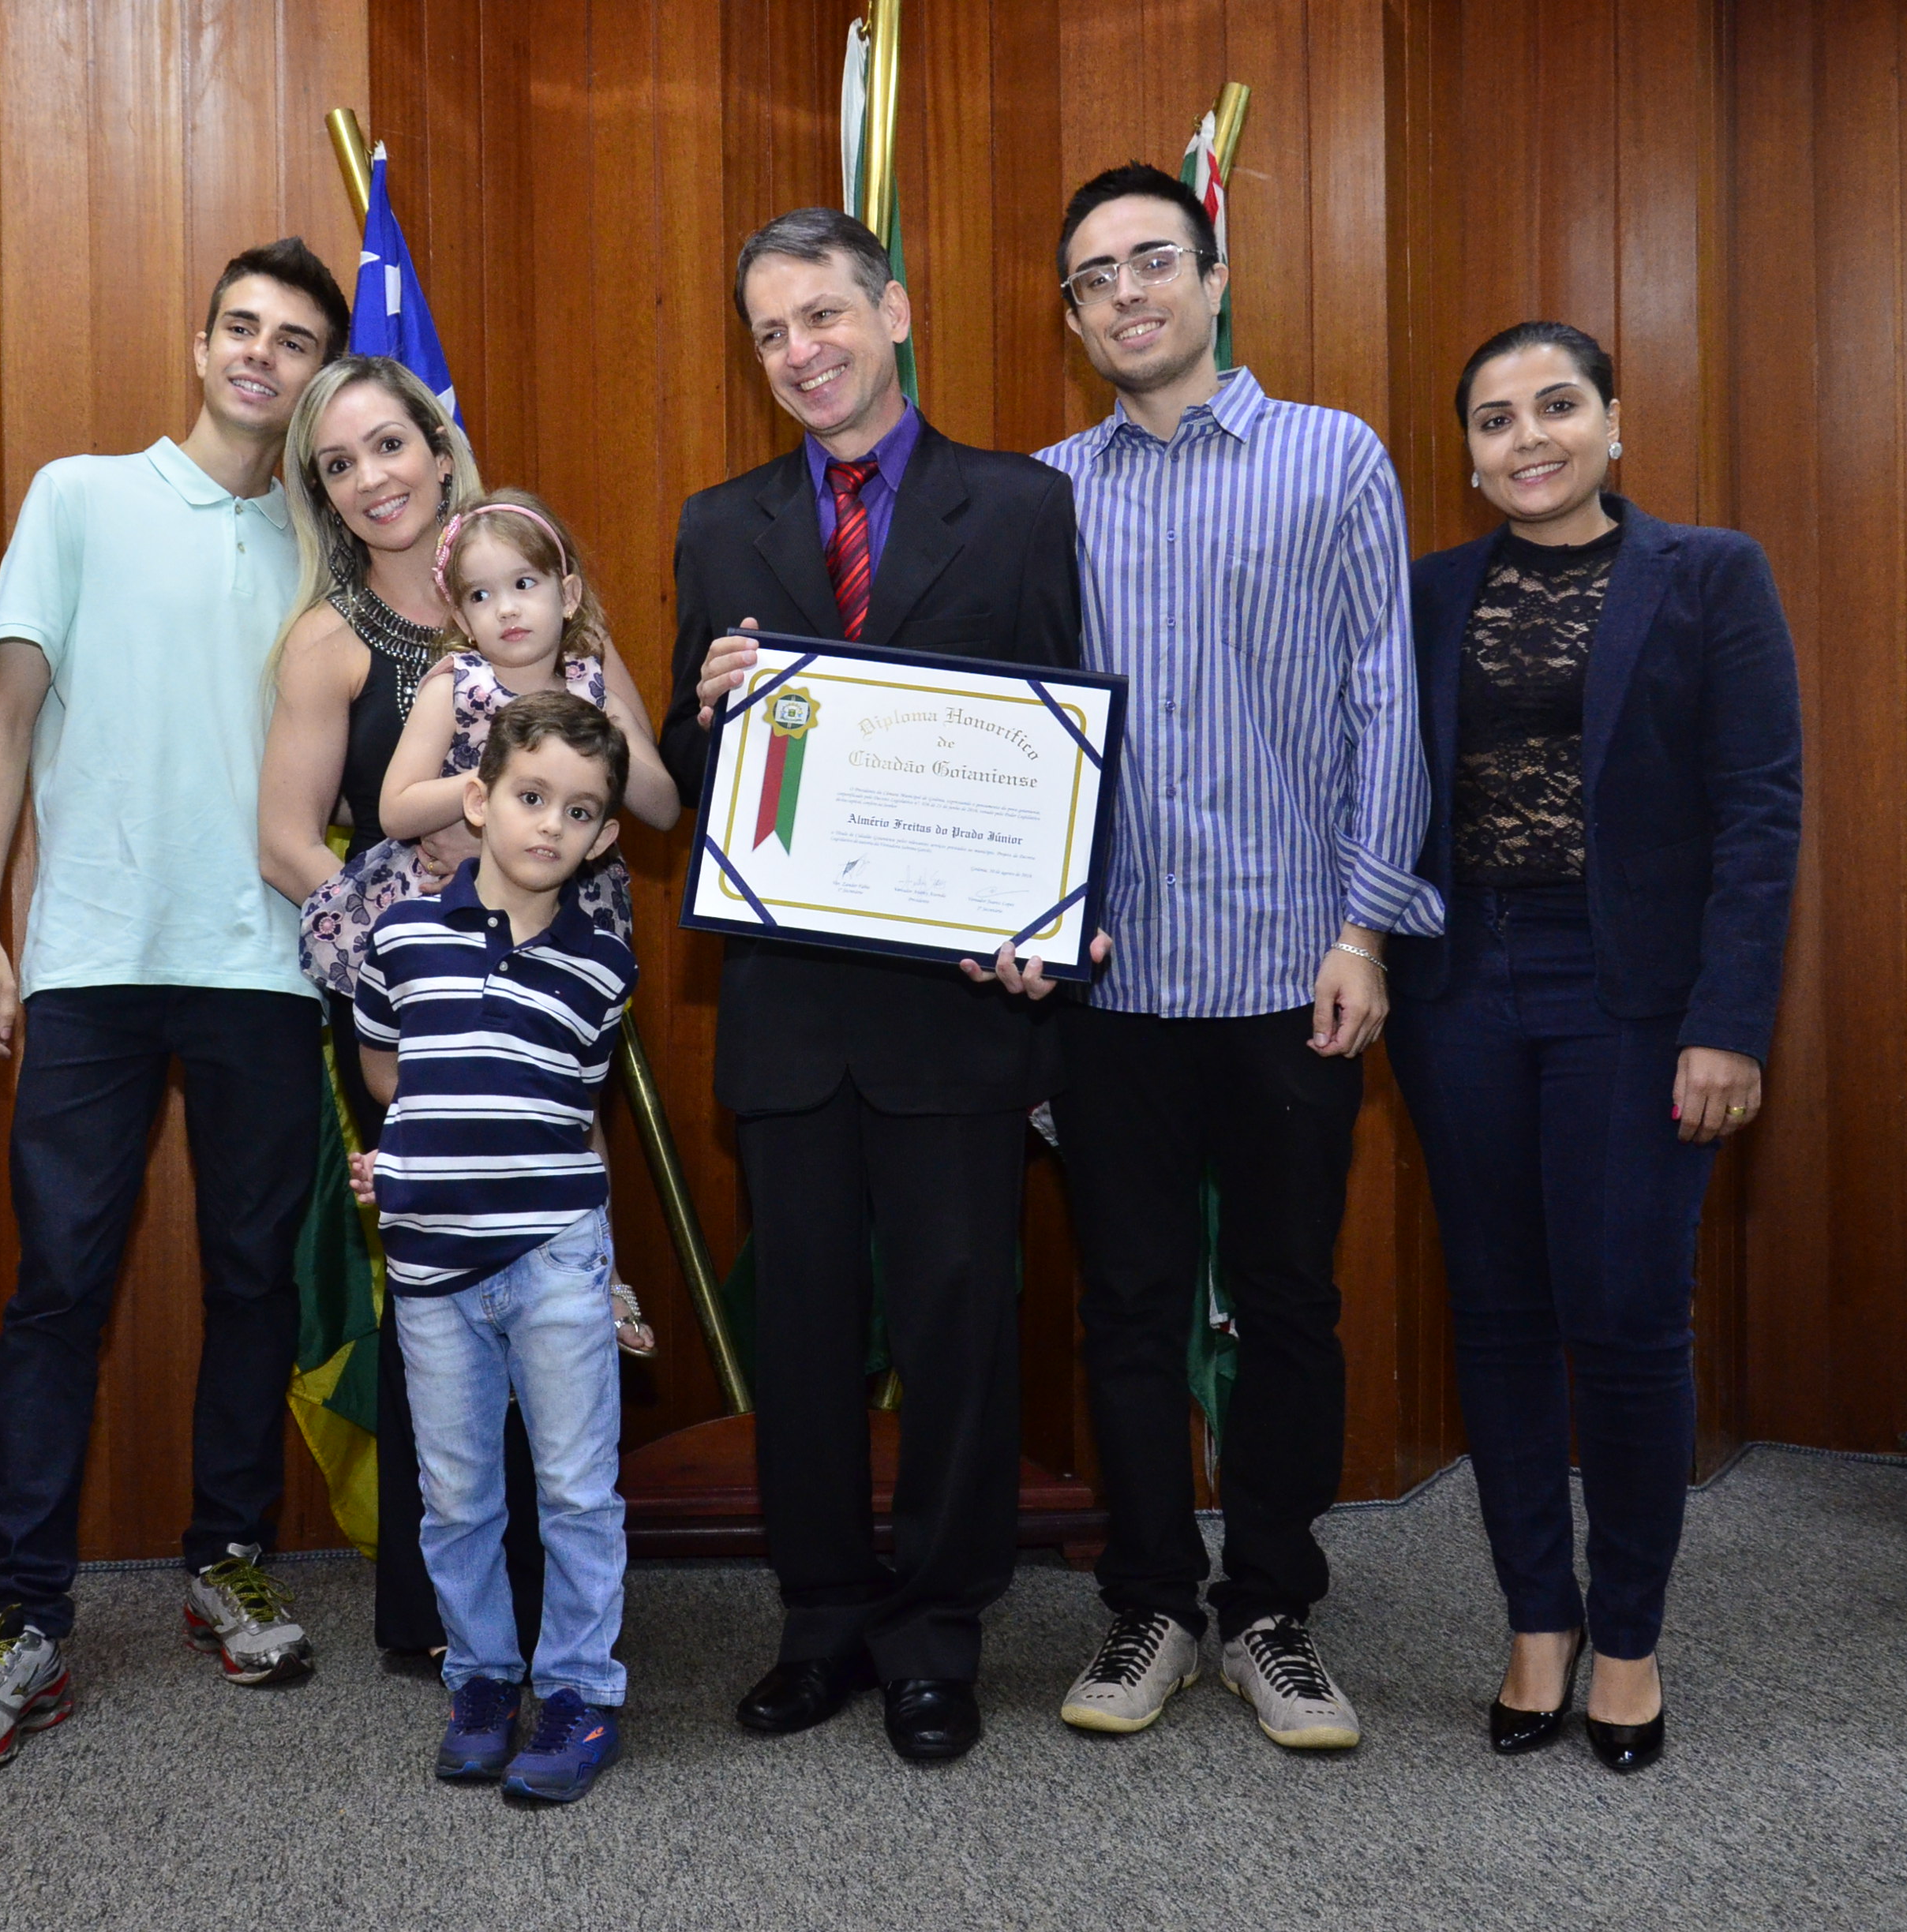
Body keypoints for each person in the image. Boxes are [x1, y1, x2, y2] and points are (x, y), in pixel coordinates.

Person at [0, 240, 352, 1772]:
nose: (260, 355)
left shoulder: (327, 543)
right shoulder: (80, 496)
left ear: (318, 376)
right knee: (60, 1284)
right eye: (242, 327)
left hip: (266, 963)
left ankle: (228, 1557)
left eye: (294, 340)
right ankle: (19, 1610)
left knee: (252, 1277)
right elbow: (4, 719)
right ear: (200, 342)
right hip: (91, 957)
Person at [660, 207, 1083, 1765]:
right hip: (788, 1014)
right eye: (772, 332)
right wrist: (713, 711)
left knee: (962, 1330)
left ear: (893, 311)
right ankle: (823, 1617)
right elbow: (695, 782)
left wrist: (1052, 915)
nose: (802, 351)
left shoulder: (1022, 507)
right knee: (805, 1336)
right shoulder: (720, 525)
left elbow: (1063, 743)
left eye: (825, 315)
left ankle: (936, 1633)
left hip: (956, 1010)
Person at [1030, 163, 1439, 1752]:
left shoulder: (1334, 457)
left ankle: (1271, 1608)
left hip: (1292, 966)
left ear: (1213, 276)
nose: (1126, 292)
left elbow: (1384, 703)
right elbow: (1004, 727)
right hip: (1109, 979)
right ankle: (1148, 1601)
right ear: (1072, 318)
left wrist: (1366, 928)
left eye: (1153, 260)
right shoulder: (1042, 492)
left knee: (1287, 1301)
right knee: (1126, 1306)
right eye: (1094, 277)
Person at [1382, 320, 1803, 1775]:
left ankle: (1627, 1637)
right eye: (1495, 419)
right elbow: (1374, 782)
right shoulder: (1429, 592)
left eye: (1556, 406)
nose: (1529, 438)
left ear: (1614, 422)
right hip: (1458, 991)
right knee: (1498, 1314)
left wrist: (1728, 1022)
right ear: (1468, 454)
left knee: (1624, 1315)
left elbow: (1760, 808)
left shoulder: (1711, 574)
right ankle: (1535, 1623)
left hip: (1635, 998)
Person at [249, 355, 547, 1664]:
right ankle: (440, 1616)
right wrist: (406, 962)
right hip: (412, 1022)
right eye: (338, 464)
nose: (371, 479)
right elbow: (284, 840)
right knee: (444, 1308)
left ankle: (554, 1596)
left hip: (544, 997)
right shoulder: (329, 641)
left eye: (388, 446)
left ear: (439, 446)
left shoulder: (517, 594)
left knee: (550, 1284)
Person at [347, 691, 644, 1805]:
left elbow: (571, 1108)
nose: (550, 824)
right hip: (432, 1274)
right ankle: (480, 1681)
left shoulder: (605, 968)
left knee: (576, 1489)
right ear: (477, 800)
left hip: (557, 1258)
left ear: (603, 836)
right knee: (459, 1496)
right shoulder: (399, 937)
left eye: (580, 810)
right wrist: (419, 1163)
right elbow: (392, 1077)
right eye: (530, 796)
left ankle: (578, 1692)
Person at [320, 490, 681, 1357]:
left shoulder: (591, 676)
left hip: (567, 923)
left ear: (567, 590)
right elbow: (396, 805)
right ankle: (449, 1236)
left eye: (524, 584)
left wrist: (601, 748)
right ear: (459, 614)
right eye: (481, 595)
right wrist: (499, 779)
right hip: (463, 929)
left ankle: (596, 1268)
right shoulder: (457, 683)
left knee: (567, 1100)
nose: (507, 609)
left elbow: (664, 808)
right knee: (458, 1081)